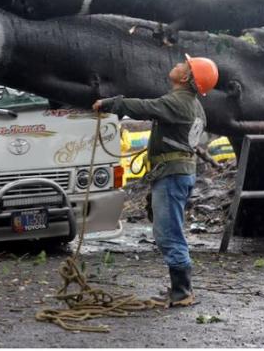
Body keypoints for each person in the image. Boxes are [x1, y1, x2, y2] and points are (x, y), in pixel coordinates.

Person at [93, 54, 219, 307]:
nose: (176, 64)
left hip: (172, 175)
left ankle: (182, 291)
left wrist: (111, 104)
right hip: (176, 172)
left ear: (186, 77)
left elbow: (145, 107)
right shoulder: (194, 105)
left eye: (183, 65)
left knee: (168, 233)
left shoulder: (178, 102)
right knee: (169, 229)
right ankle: (179, 289)